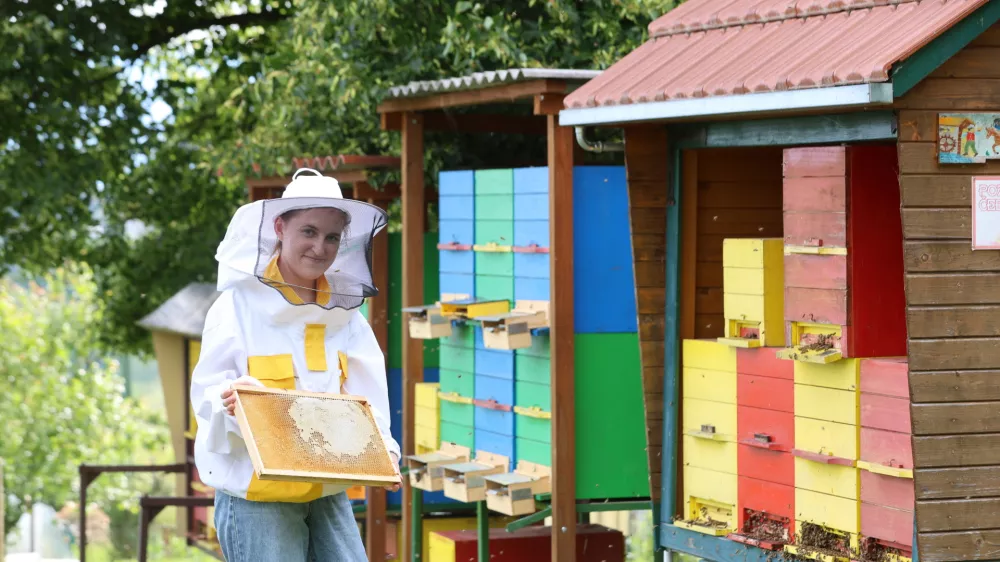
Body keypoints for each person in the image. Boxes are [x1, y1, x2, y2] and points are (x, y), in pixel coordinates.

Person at [190, 168, 400, 561]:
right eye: (309, 231)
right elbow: (207, 394)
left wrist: (384, 450)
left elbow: (367, 397)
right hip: (258, 495)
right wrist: (231, 399)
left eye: (332, 237)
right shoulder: (236, 307)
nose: (320, 247)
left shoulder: (345, 316)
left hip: (325, 488)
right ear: (280, 228)